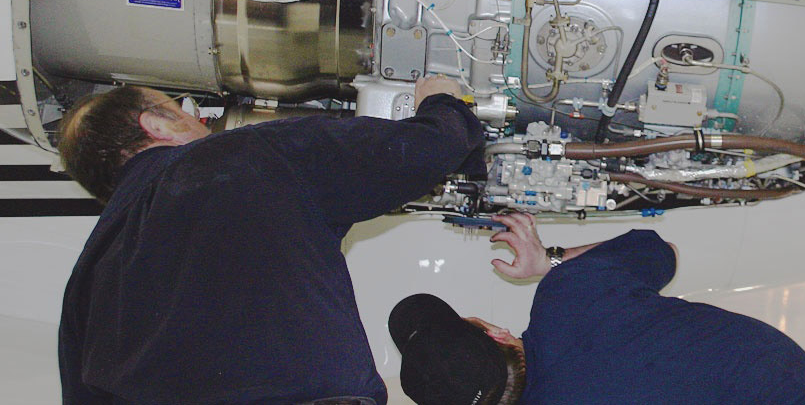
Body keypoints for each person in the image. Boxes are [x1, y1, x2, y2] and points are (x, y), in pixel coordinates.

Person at [56, 76, 485, 404]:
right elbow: (420, 151)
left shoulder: (85, 279)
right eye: (185, 111)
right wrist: (443, 99)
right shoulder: (238, 155)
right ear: (156, 124)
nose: (202, 122)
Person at [389, 213, 805, 405]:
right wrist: (549, 262)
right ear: (496, 334)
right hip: (791, 388)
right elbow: (663, 252)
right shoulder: (569, 297)